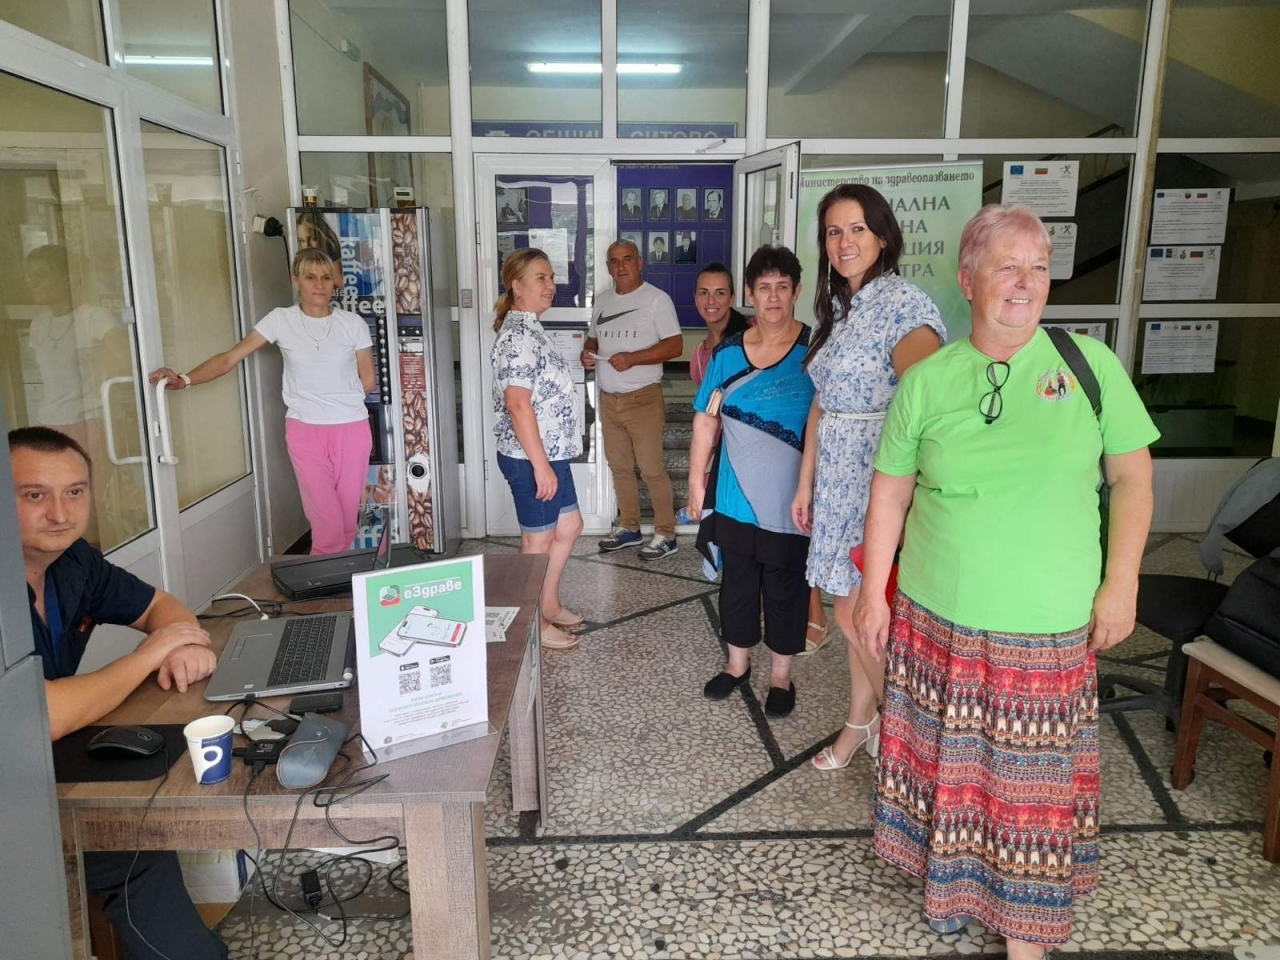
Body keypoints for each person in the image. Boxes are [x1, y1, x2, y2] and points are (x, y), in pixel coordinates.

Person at [853, 204, 1158, 953]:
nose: (1025, 283)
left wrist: (1122, 582)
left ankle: (1026, 930)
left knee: (1028, 787)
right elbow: (889, 493)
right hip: (937, 612)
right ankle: (952, 889)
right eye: (1007, 267)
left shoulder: (1089, 366)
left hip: (1046, 620)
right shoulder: (929, 380)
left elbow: (1133, 479)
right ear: (968, 281)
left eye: (1038, 268)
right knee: (948, 768)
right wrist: (873, 596)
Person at [10, 426, 228, 960]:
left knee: (139, 836)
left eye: (75, 492)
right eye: (34, 495)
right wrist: (149, 656)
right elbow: (38, 715)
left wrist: (179, 644)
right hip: (12, 805)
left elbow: (159, 608)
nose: (60, 513)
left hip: (35, 773)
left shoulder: (73, 563)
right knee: (132, 843)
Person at [792, 184, 946, 772]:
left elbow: (928, 395)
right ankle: (861, 722)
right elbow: (822, 401)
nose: (845, 242)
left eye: (857, 228)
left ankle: (912, 744)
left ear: (883, 236)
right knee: (851, 611)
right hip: (836, 482)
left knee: (858, 615)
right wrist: (806, 482)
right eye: (834, 231)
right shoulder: (840, 307)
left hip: (877, 481)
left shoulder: (903, 303)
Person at [150, 248, 375, 555]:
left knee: (347, 518)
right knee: (327, 519)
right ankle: (324, 577)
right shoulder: (281, 320)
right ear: (295, 280)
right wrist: (183, 379)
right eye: (310, 277)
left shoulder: (352, 323)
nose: (319, 284)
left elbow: (368, 379)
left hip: (351, 428)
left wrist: (336, 402)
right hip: (305, 430)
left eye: (326, 277)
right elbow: (229, 359)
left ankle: (339, 576)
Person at [689, 247, 814, 718]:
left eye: (783, 286)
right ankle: (737, 664)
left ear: (797, 291)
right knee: (738, 582)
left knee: (785, 585)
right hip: (734, 493)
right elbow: (706, 420)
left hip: (791, 496)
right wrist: (696, 482)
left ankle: (781, 676)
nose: (773, 297)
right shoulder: (727, 354)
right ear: (750, 293)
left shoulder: (815, 350)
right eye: (764, 287)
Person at [489, 249, 586, 651]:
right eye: (541, 278)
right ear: (517, 285)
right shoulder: (516, 337)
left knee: (569, 526)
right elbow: (517, 404)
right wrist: (541, 466)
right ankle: (532, 624)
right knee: (537, 543)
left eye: (551, 278)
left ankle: (547, 604)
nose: (550, 285)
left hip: (550, 455)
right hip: (531, 458)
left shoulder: (531, 328)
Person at [22, 245, 131, 547]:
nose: (32, 284)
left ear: (65, 277)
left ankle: (96, 563)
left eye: (41, 276)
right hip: (48, 423)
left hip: (87, 420)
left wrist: (98, 365)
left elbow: (125, 363)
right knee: (54, 506)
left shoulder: (93, 317)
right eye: (30, 277)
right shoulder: (39, 323)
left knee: (86, 504)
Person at [582, 240, 682, 560]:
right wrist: (587, 353)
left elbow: (675, 346)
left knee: (651, 469)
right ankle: (629, 527)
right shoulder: (602, 300)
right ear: (608, 267)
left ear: (639, 263)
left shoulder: (656, 300)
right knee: (620, 467)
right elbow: (593, 339)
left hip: (643, 399)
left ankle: (666, 533)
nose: (621, 266)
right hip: (609, 400)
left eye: (627, 259)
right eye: (614, 261)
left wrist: (633, 358)